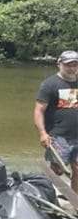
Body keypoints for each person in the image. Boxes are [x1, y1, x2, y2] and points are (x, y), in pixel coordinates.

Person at [34, 50, 78, 193]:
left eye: (75, 65)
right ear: (59, 64)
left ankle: (75, 201)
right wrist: (42, 133)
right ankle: (44, 190)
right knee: (57, 171)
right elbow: (38, 111)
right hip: (57, 136)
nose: (72, 68)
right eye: (68, 65)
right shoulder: (49, 85)